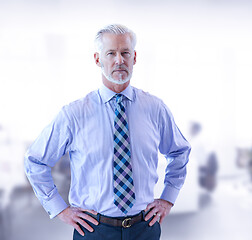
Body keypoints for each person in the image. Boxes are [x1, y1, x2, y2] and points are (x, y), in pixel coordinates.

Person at [24, 24, 191, 240]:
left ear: (134, 57)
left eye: (125, 53)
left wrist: (168, 198)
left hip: (145, 228)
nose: (119, 60)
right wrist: (59, 209)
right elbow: (35, 160)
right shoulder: (73, 114)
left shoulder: (155, 108)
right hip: (94, 230)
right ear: (97, 59)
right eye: (111, 53)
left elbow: (179, 152)